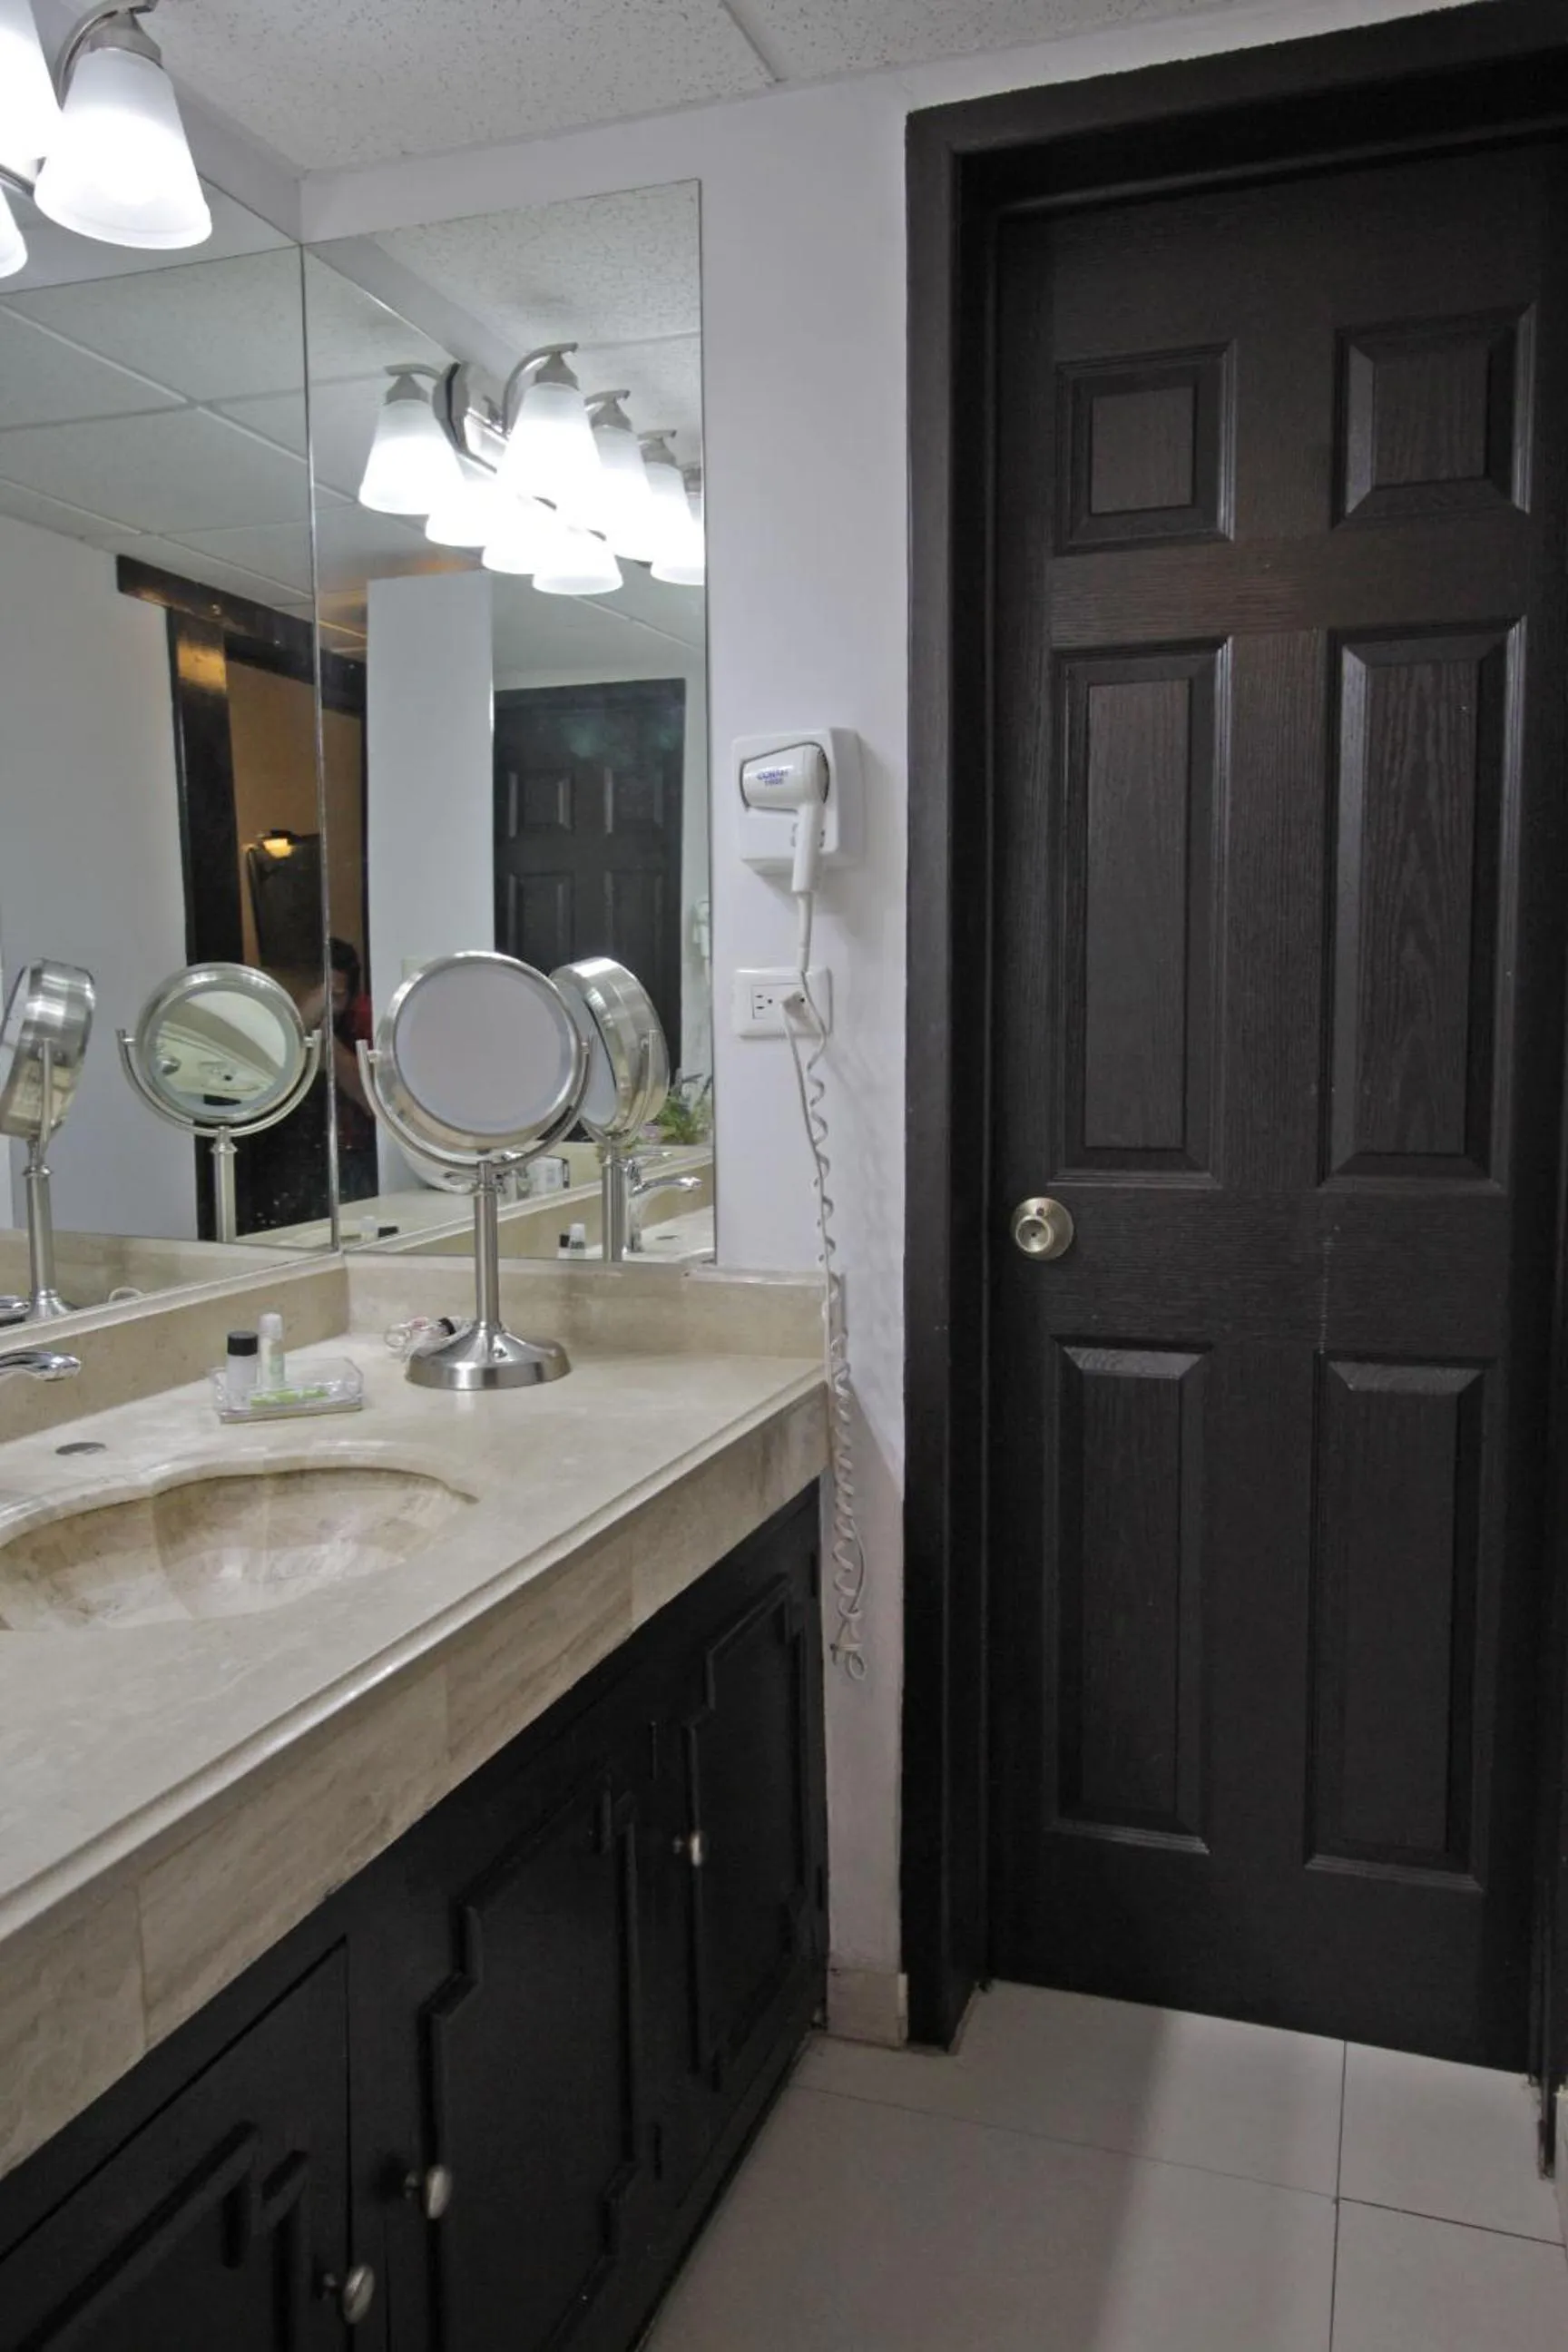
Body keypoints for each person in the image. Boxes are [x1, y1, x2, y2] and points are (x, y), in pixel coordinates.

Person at [303, 938, 377, 1203]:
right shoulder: (270, 1019)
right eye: (319, 995)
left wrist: (325, 1037)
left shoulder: (364, 1016)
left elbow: (372, 1101)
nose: (326, 1005)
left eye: (335, 996)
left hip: (356, 1151)